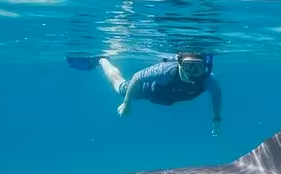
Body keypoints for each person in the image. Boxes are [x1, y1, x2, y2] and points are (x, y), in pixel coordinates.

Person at [66, 53, 223, 136]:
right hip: (148, 90)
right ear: (180, 64)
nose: (193, 72)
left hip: (169, 97)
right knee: (121, 88)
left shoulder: (209, 80)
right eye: (189, 66)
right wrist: (126, 103)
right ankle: (102, 60)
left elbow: (216, 94)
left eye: (198, 67)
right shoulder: (165, 71)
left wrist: (216, 119)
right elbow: (137, 77)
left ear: (206, 66)